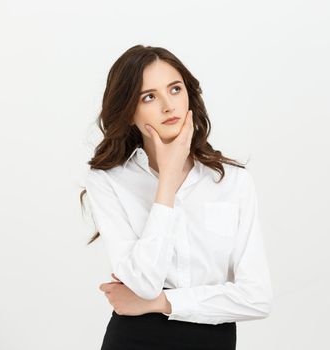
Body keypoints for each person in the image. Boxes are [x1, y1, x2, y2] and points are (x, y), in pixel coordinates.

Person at [80, 44, 273, 350]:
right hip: (134, 338)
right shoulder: (108, 181)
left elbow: (257, 298)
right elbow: (143, 281)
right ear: (129, 111)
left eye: (174, 89)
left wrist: (160, 302)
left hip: (212, 339)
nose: (168, 106)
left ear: (189, 95)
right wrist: (167, 183)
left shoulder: (233, 181)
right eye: (149, 97)